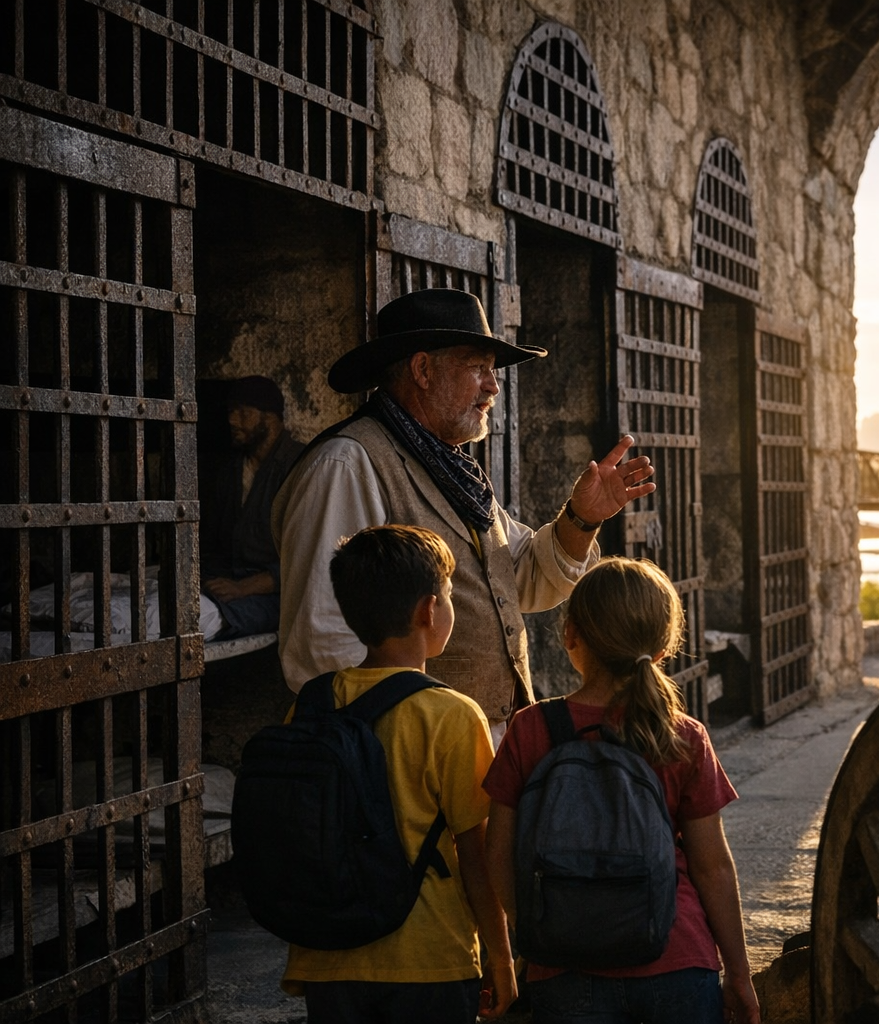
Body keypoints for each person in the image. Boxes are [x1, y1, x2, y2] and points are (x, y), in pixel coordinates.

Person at [273, 288, 655, 738]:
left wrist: (582, 517)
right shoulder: (347, 464)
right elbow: (323, 643)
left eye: (491, 372)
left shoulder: (452, 467)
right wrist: (407, 747)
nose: (493, 386)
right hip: (407, 760)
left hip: (478, 749)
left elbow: (518, 582)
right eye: (478, 368)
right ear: (422, 370)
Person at [483, 558, 760, 1024]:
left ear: (571, 636)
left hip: (565, 971)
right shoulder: (681, 735)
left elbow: (498, 854)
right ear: (663, 648)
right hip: (676, 959)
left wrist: (538, 927)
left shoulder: (531, 729)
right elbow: (712, 867)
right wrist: (739, 973)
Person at [280, 524, 514, 1023]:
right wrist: (501, 955)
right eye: (449, 596)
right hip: (429, 957)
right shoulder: (453, 715)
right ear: (428, 611)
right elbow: (475, 855)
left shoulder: (312, 704)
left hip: (328, 953)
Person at [201, 375, 305, 639]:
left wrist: (242, 588)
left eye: (243, 412)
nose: (232, 420)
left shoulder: (300, 466)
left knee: (207, 617)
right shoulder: (231, 470)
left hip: (274, 594)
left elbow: (306, 557)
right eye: (230, 412)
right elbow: (213, 542)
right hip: (225, 582)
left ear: (270, 418)